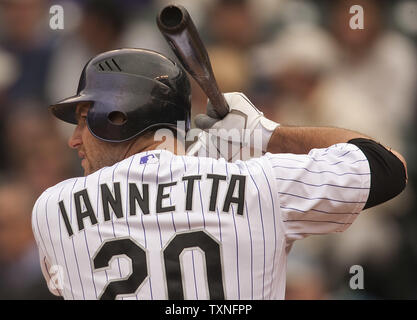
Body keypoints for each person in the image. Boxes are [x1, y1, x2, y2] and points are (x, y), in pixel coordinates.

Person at [32, 48, 407, 300]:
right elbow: (387, 165)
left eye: (83, 120)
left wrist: (200, 163)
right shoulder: (261, 185)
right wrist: (265, 134)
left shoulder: (52, 208)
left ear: (117, 118)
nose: (74, 141)